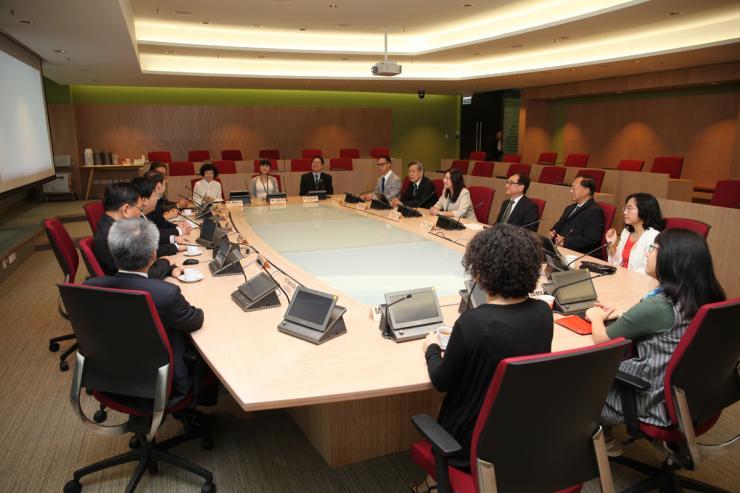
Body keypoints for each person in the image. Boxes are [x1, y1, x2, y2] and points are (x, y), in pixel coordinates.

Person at [412, 225, 553, 491]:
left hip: (471, 441)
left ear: (480, 271)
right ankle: (431, 483)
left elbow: (441, 381)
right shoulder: (543, 312)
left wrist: (431, 348)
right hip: (524, 431)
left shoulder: (474, 323)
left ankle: (431, 484)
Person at [586, 228, 725, 455]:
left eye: (654, 248)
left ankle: (602, 440)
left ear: (671, 259)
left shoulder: (659, 305)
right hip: (696, 399)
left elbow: (602, 340)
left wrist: (596, 317)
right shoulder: (706, 297)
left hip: (651, 399)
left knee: (579, 375)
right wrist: (626, 314)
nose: (649, 253)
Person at [85, 218, 205, 400]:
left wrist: (166, 267)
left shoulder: (90, 287)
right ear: (153, 255)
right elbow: (195, 320)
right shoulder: (165, 294)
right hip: (162, 383)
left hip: (107, 378)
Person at [93, 183, 181, 279]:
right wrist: (166, 263)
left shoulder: (107, 224)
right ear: (126, 210)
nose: (140, 214)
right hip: (127, 288)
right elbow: (138, 276)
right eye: (140, 209)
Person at [605, 193, 664, 273]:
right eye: (625, 208)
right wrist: (612, 246)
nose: (625, 212)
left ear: (644, 210)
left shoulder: (654, 236)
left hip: (639, 282)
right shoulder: (626, 231)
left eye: (629, 208)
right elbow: (617, 263)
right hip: (622, 278)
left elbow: (648, 271)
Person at [131, 176, 186, 258]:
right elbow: (147, 251)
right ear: (144, 200)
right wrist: (175, 247)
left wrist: (173, 238)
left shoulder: (141, 215)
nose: (157, 199)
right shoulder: (135, 221)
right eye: (155, 195)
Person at [550, 175, 604, 254]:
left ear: (586, 190)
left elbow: (592, 239)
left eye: (574, 188)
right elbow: (558, 226)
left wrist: (566, 242)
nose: (571, 191)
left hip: (576, 253)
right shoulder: (569, 208)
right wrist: (552, 232)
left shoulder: (595, 211)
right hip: (559, 249)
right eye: (571, 188)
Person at [145, 170, 192, 237]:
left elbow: (160, 221)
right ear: (158, 185)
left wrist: (177, 227)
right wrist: (178, 231)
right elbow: (152, 232)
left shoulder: (157, 196)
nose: (166, 181)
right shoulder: (148, 202)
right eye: (164, 181)